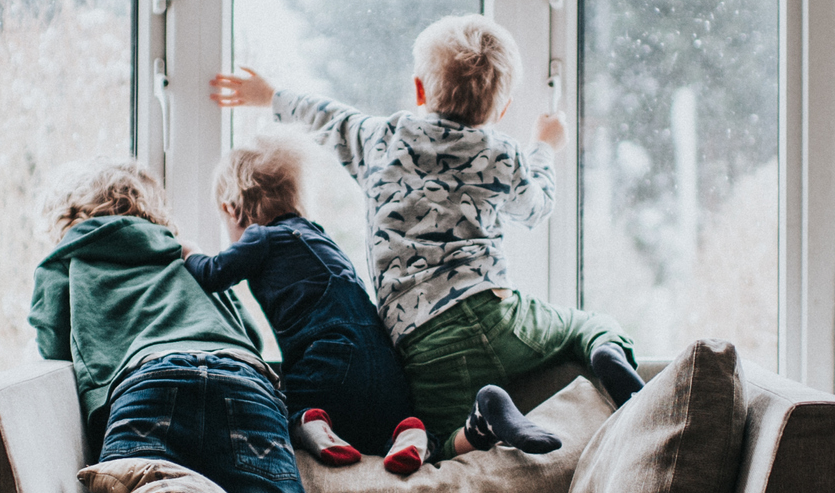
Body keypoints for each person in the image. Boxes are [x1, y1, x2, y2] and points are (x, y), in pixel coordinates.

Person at [26, 159, 422, 493]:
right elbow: (247, 333)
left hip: (147, 381)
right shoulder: (182, 254)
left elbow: (53, 347)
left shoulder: (68, 258)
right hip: (245, 382)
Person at [210, 14, 645, 462]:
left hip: (421, 339)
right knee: (588, 327)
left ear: (419, 90)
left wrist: (271, 96)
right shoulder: (500, 153)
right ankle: (607, 356)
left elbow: (329, 119)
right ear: (502, 109)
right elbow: (536, 208)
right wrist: (544, 147)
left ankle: (485, 413)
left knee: (432, 444)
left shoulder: (382, 139)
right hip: (495, 311)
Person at [189, 136, 560, 474]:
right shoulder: (319, 236)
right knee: (385, 428)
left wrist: (185, 252)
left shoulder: (261, 238)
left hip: (325, 358)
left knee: (285, 402)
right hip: (382, 367)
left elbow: (213, 274)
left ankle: (310, 424)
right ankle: (409, 434)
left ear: (232, 209)